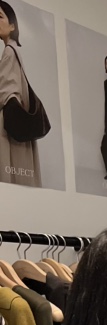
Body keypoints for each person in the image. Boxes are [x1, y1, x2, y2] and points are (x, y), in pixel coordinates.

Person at [0, 1, 42, 187]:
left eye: (0, 17)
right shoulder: (15, 50)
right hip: (18, 125)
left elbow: (6, 91)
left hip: (8, 126)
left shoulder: (9, 52)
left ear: (12, 25)